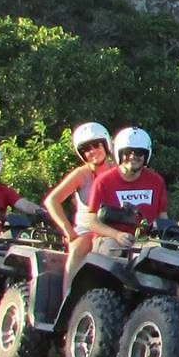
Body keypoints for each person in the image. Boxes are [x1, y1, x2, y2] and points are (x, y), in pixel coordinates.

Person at [74, 128, 168, 278]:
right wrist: (117, 235)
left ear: (146, 155)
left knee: (160, 258)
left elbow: (163, 217)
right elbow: (92, 221)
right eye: (128, 152)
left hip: (144, 239)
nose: (133, 156)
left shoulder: (156, 181)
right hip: (110, 238)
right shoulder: (103, 181)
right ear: (119, 152)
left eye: (139, 153)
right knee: (111, 253)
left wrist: (160, 235)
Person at [46, 123, 114, 291]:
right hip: (87, 230)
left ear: (106, 145)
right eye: (86, 149)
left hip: (114, 229)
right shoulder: (81, 175)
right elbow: (52, 200)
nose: (92, 152)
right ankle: (68, 302)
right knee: (79, 249)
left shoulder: (118, 172)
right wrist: (68, 231)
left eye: (96, 145)